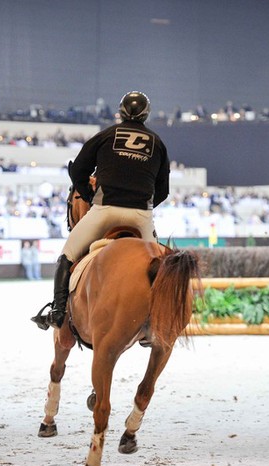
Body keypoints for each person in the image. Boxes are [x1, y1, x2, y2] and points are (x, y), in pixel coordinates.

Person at [31, 91, 170, 330]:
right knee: (160, 266)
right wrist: (145, 206)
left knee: (67, 257)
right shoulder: (158, 143)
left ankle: (58, 312)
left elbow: (77, 172)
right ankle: (159, 321)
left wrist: (87, 195)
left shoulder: (106, 135)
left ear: (120, 111)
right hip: (140, 217)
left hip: (104, 211)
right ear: (147, 113)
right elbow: (163, 190)